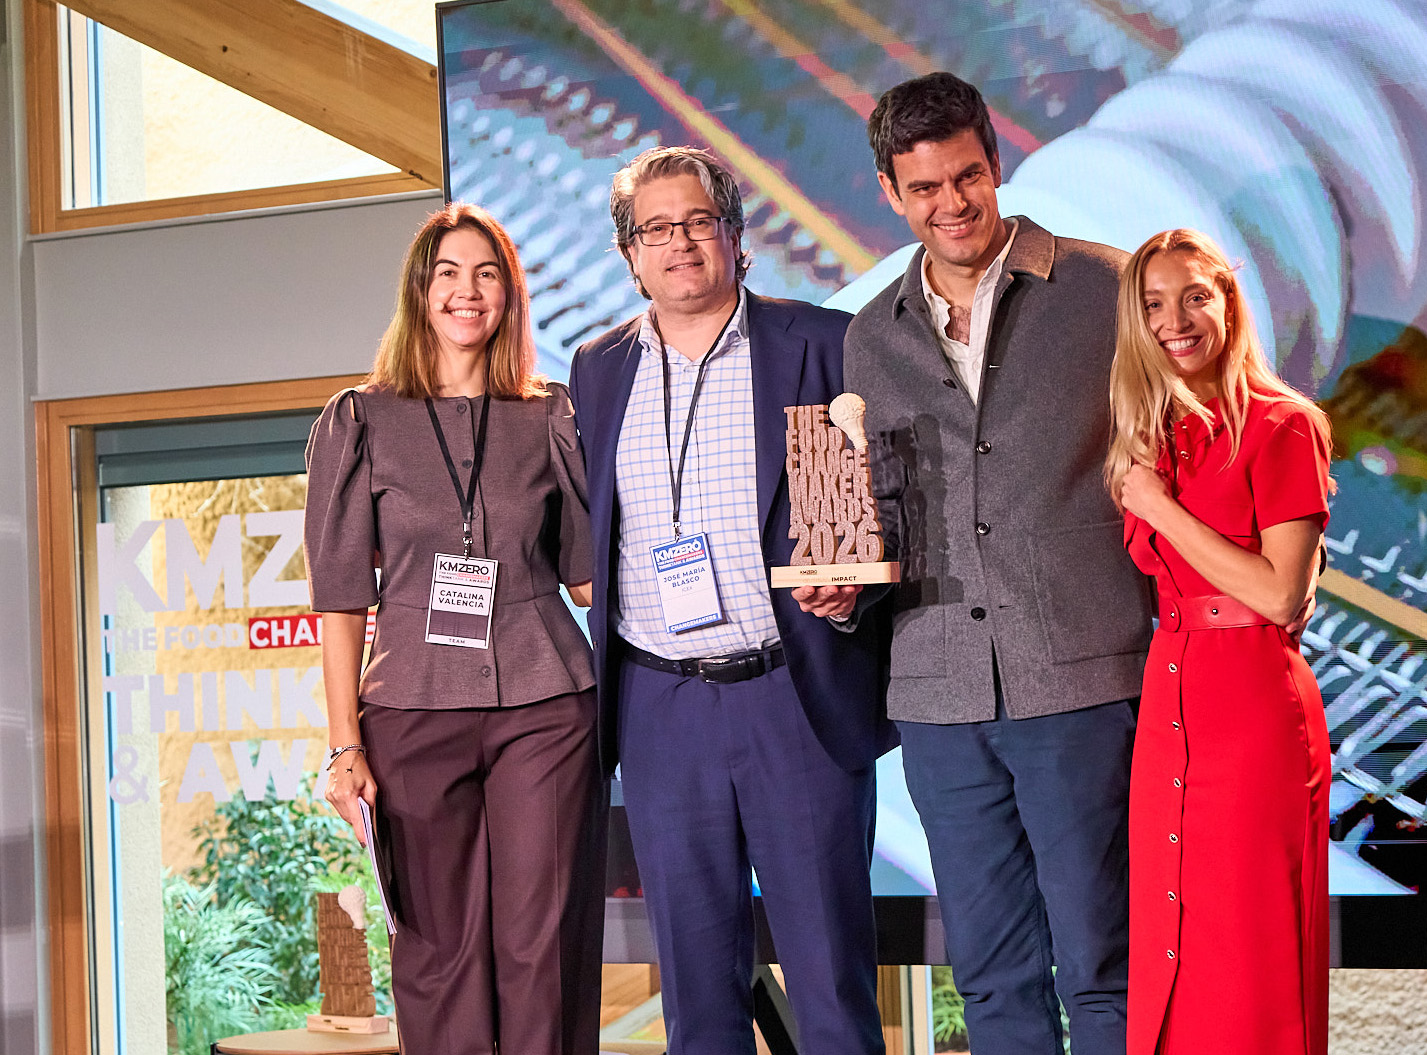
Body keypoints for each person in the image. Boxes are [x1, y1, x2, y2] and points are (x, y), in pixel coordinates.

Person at [843, 72, 1154, 1055]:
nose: (951, 205)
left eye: (966, 177)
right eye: (924, 188)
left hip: (1079, 676)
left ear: (995, 161)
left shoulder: (1104, 290)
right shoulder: (868, 334)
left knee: (1103, 960)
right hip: (936, 695)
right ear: (890, 193)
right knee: (991, 973)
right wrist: (842, 580)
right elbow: (876, 513)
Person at [568, 145, 894, 1055]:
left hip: (793, 692)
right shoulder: (596, 370)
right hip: (662, 706)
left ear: (736, 237)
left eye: (698, 222)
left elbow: (885, 500)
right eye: (656, 229)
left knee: (830, 981)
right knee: (697, 993)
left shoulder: (823, 341)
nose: (680, 243)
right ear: (630, 253)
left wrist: (853, 590)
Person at [304, 202, 606, 1055]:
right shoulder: (358, 421)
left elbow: (588, 578)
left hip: (545, 705)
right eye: (448, 274)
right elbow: (338, 599)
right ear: (420, 293)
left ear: (508, 295)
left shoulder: (549, 414)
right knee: (437, 950)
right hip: (408, 708)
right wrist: (343, 744)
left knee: (539, 943)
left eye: (486, 274)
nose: (467, 293)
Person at [1108, 228, 1331, 1055]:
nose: (1176, 320)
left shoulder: (1284, 426)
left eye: (1195, 295)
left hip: (1250, 711)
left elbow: (1279, 591)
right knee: (1171, 939)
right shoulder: (1151, 434)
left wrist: (1159, 507)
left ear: (1229, 303)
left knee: (1248, 953)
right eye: (1155, 304)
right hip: (1169, 701)